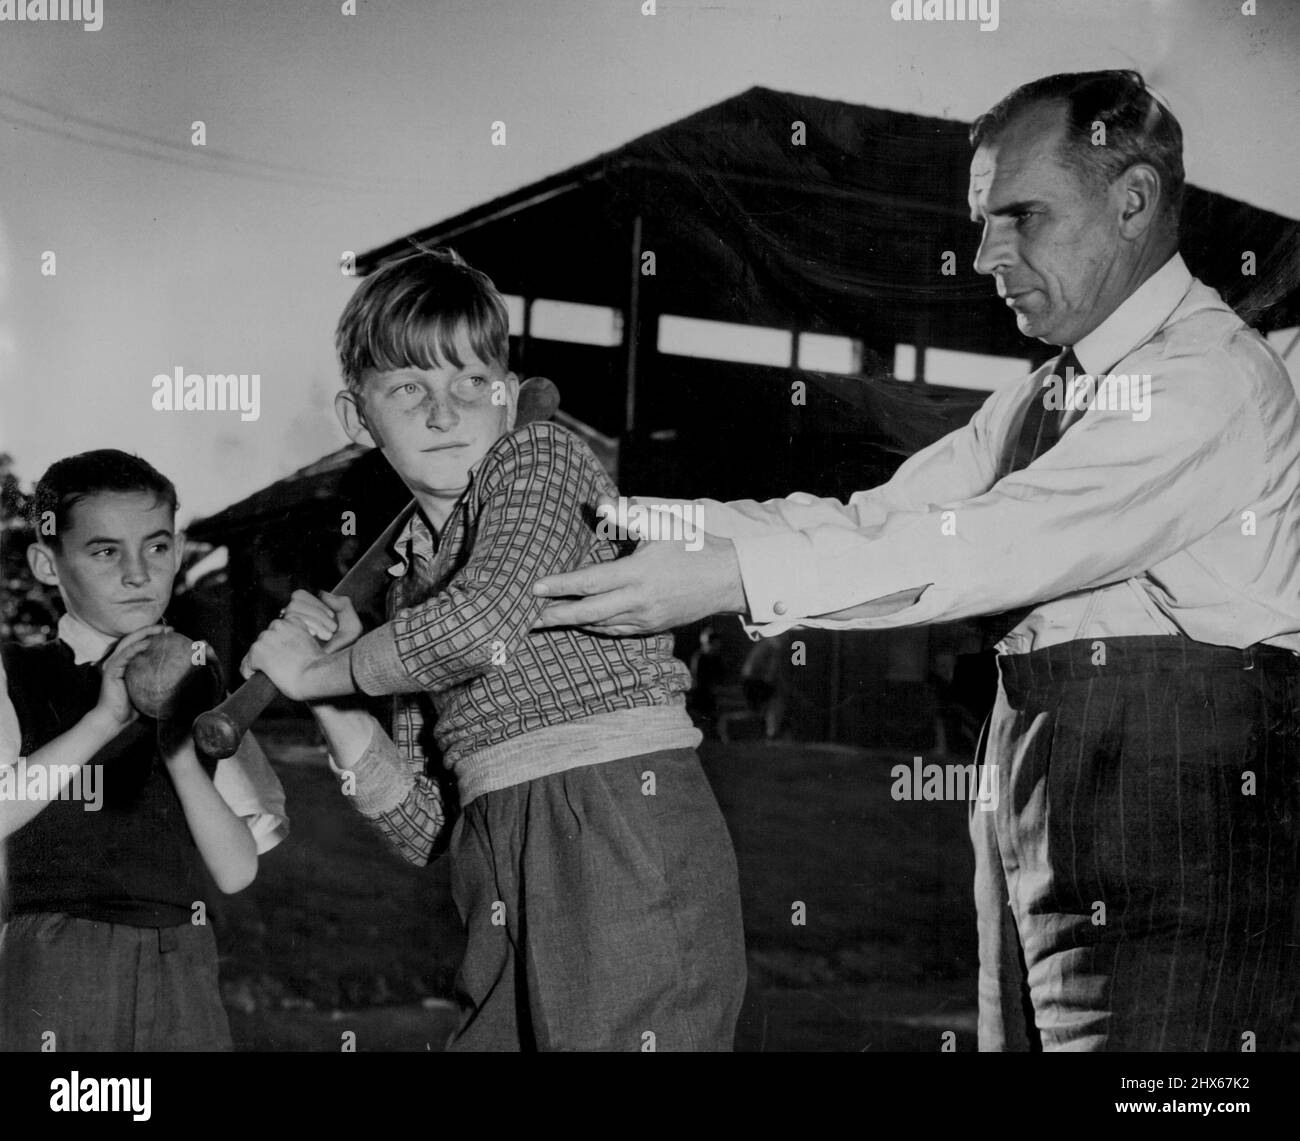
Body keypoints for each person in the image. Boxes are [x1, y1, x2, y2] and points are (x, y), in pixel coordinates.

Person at [531, 71, 1300, 1052]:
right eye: (982, 222)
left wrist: (728, 581)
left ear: (1134, 199)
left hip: (1177, 832)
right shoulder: (1041, 399)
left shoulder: (1209, 380)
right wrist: (653, 521)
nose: (985, 255)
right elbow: (881, 517)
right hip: (1037, 809)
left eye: (1021, 216)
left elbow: (992, 541)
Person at [243, 247, 746, 1051]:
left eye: (470, 383)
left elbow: (483, 628)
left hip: (617, 813)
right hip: (494, 853)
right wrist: (334, 700)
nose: (445, 414)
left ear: (507, 396)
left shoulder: (538, 460)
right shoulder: (410, 589)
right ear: (356, 416)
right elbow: (425, 827)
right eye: (409, 388)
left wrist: (324, 667)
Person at [0, 450, 288, 1051]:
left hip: (180, 959)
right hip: (56, 961)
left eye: (156, 548)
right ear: (46, 564)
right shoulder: (18, 675)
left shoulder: (204, 684)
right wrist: (105, 719)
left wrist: (182, 754)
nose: (138, 573)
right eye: (105, 552)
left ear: (177, 554)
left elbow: (237, 872)